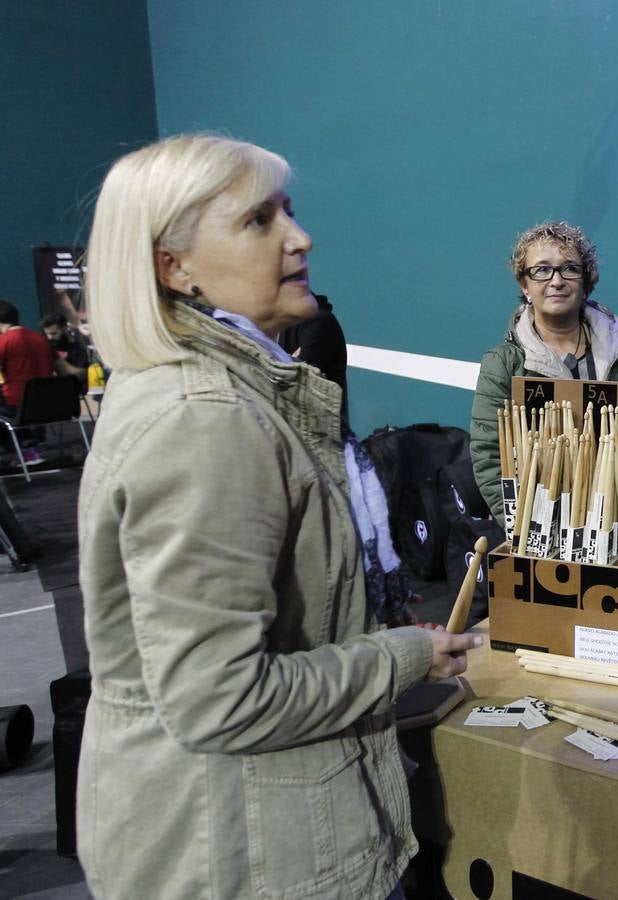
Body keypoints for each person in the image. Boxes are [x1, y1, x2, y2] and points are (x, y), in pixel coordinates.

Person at [78, 134, 479, 899]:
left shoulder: (230, 394)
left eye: (288, 212)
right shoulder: (206, 419)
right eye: (260, 221)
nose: (300, 237)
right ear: (175, 267)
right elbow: (220, 697)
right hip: (249, 855)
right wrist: (398, 658)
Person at [470, 220, 618, 524]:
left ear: (585, 282)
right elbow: (489, 457)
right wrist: (523, 528)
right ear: (524, 286)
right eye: (541, 270)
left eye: (569, 268)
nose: (556, 281)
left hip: (617, 520)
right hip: (537, 524)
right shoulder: (503, 363)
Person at [278, 291, 349, 430]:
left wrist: (285, 364)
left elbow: (289, 381)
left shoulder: (319, 321)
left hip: (319, 433)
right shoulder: (279, 324)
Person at [0, 299, 57, 465]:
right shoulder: (41, 339)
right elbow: (65, 370)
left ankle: (25, 448)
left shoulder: (4, 341)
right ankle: (32, 444)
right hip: (48, 406)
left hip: (16, 407)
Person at [42, 312, 91, 376]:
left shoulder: (78, 349)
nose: (49, 337)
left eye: (54, 333)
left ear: (64, 329)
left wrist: (61, 365)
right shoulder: (47, 347)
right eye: (47, 334)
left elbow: (83, 374)